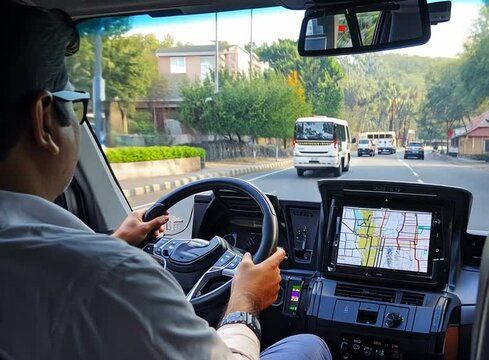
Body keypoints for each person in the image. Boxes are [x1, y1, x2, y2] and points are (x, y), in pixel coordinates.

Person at [0, 2, 331, 360]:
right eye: (77, 103)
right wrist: (244, 303)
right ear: (44, 123)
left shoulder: (87, 268)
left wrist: (117, 243)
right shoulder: (113, 278)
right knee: (308, 345)